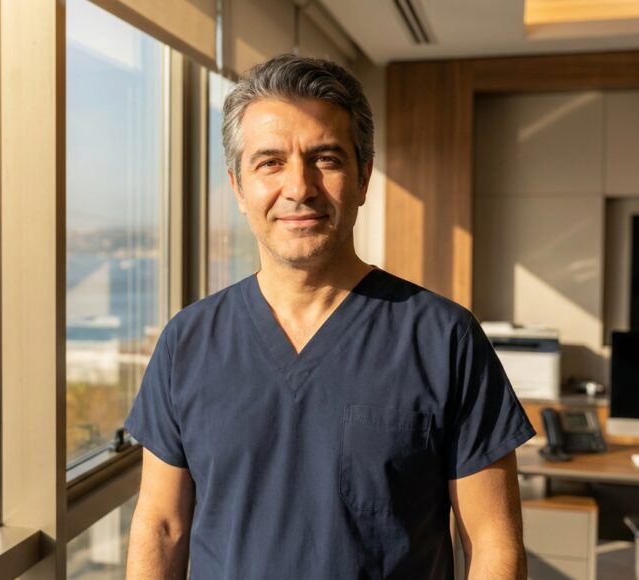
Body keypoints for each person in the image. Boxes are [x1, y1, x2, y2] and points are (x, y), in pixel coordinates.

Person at [124, 54, 535, 579]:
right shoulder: (188, 341)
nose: (300, 187)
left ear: (364, 177)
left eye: (326, 158)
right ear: (238, 188)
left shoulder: (444, 338)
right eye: (270, 162)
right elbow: (161, 527)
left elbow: (494, 546)